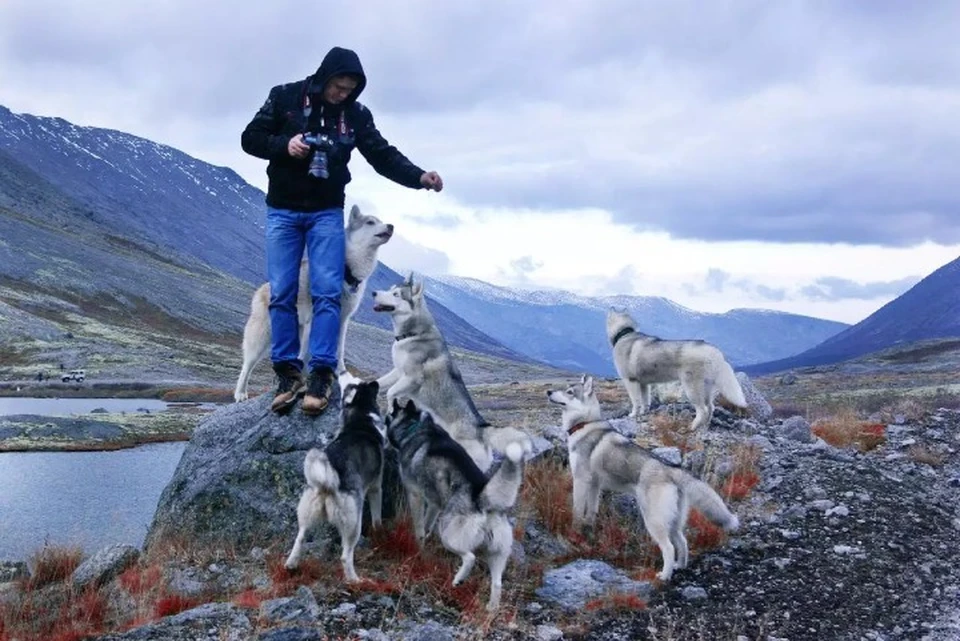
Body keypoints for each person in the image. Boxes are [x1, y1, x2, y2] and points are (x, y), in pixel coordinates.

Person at [241, 46, 443, 416]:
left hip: (326, 213)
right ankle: (288, 374)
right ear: (324, 76)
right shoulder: (284, 97)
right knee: (283, 293)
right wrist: (284, 146)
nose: (343, 94)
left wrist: (418, 177)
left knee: (328, 291)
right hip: (283, 211)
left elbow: (381, 154)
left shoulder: (356, 115)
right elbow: (250, 138)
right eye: (339, 86)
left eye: (350, 88)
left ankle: (321, 374)